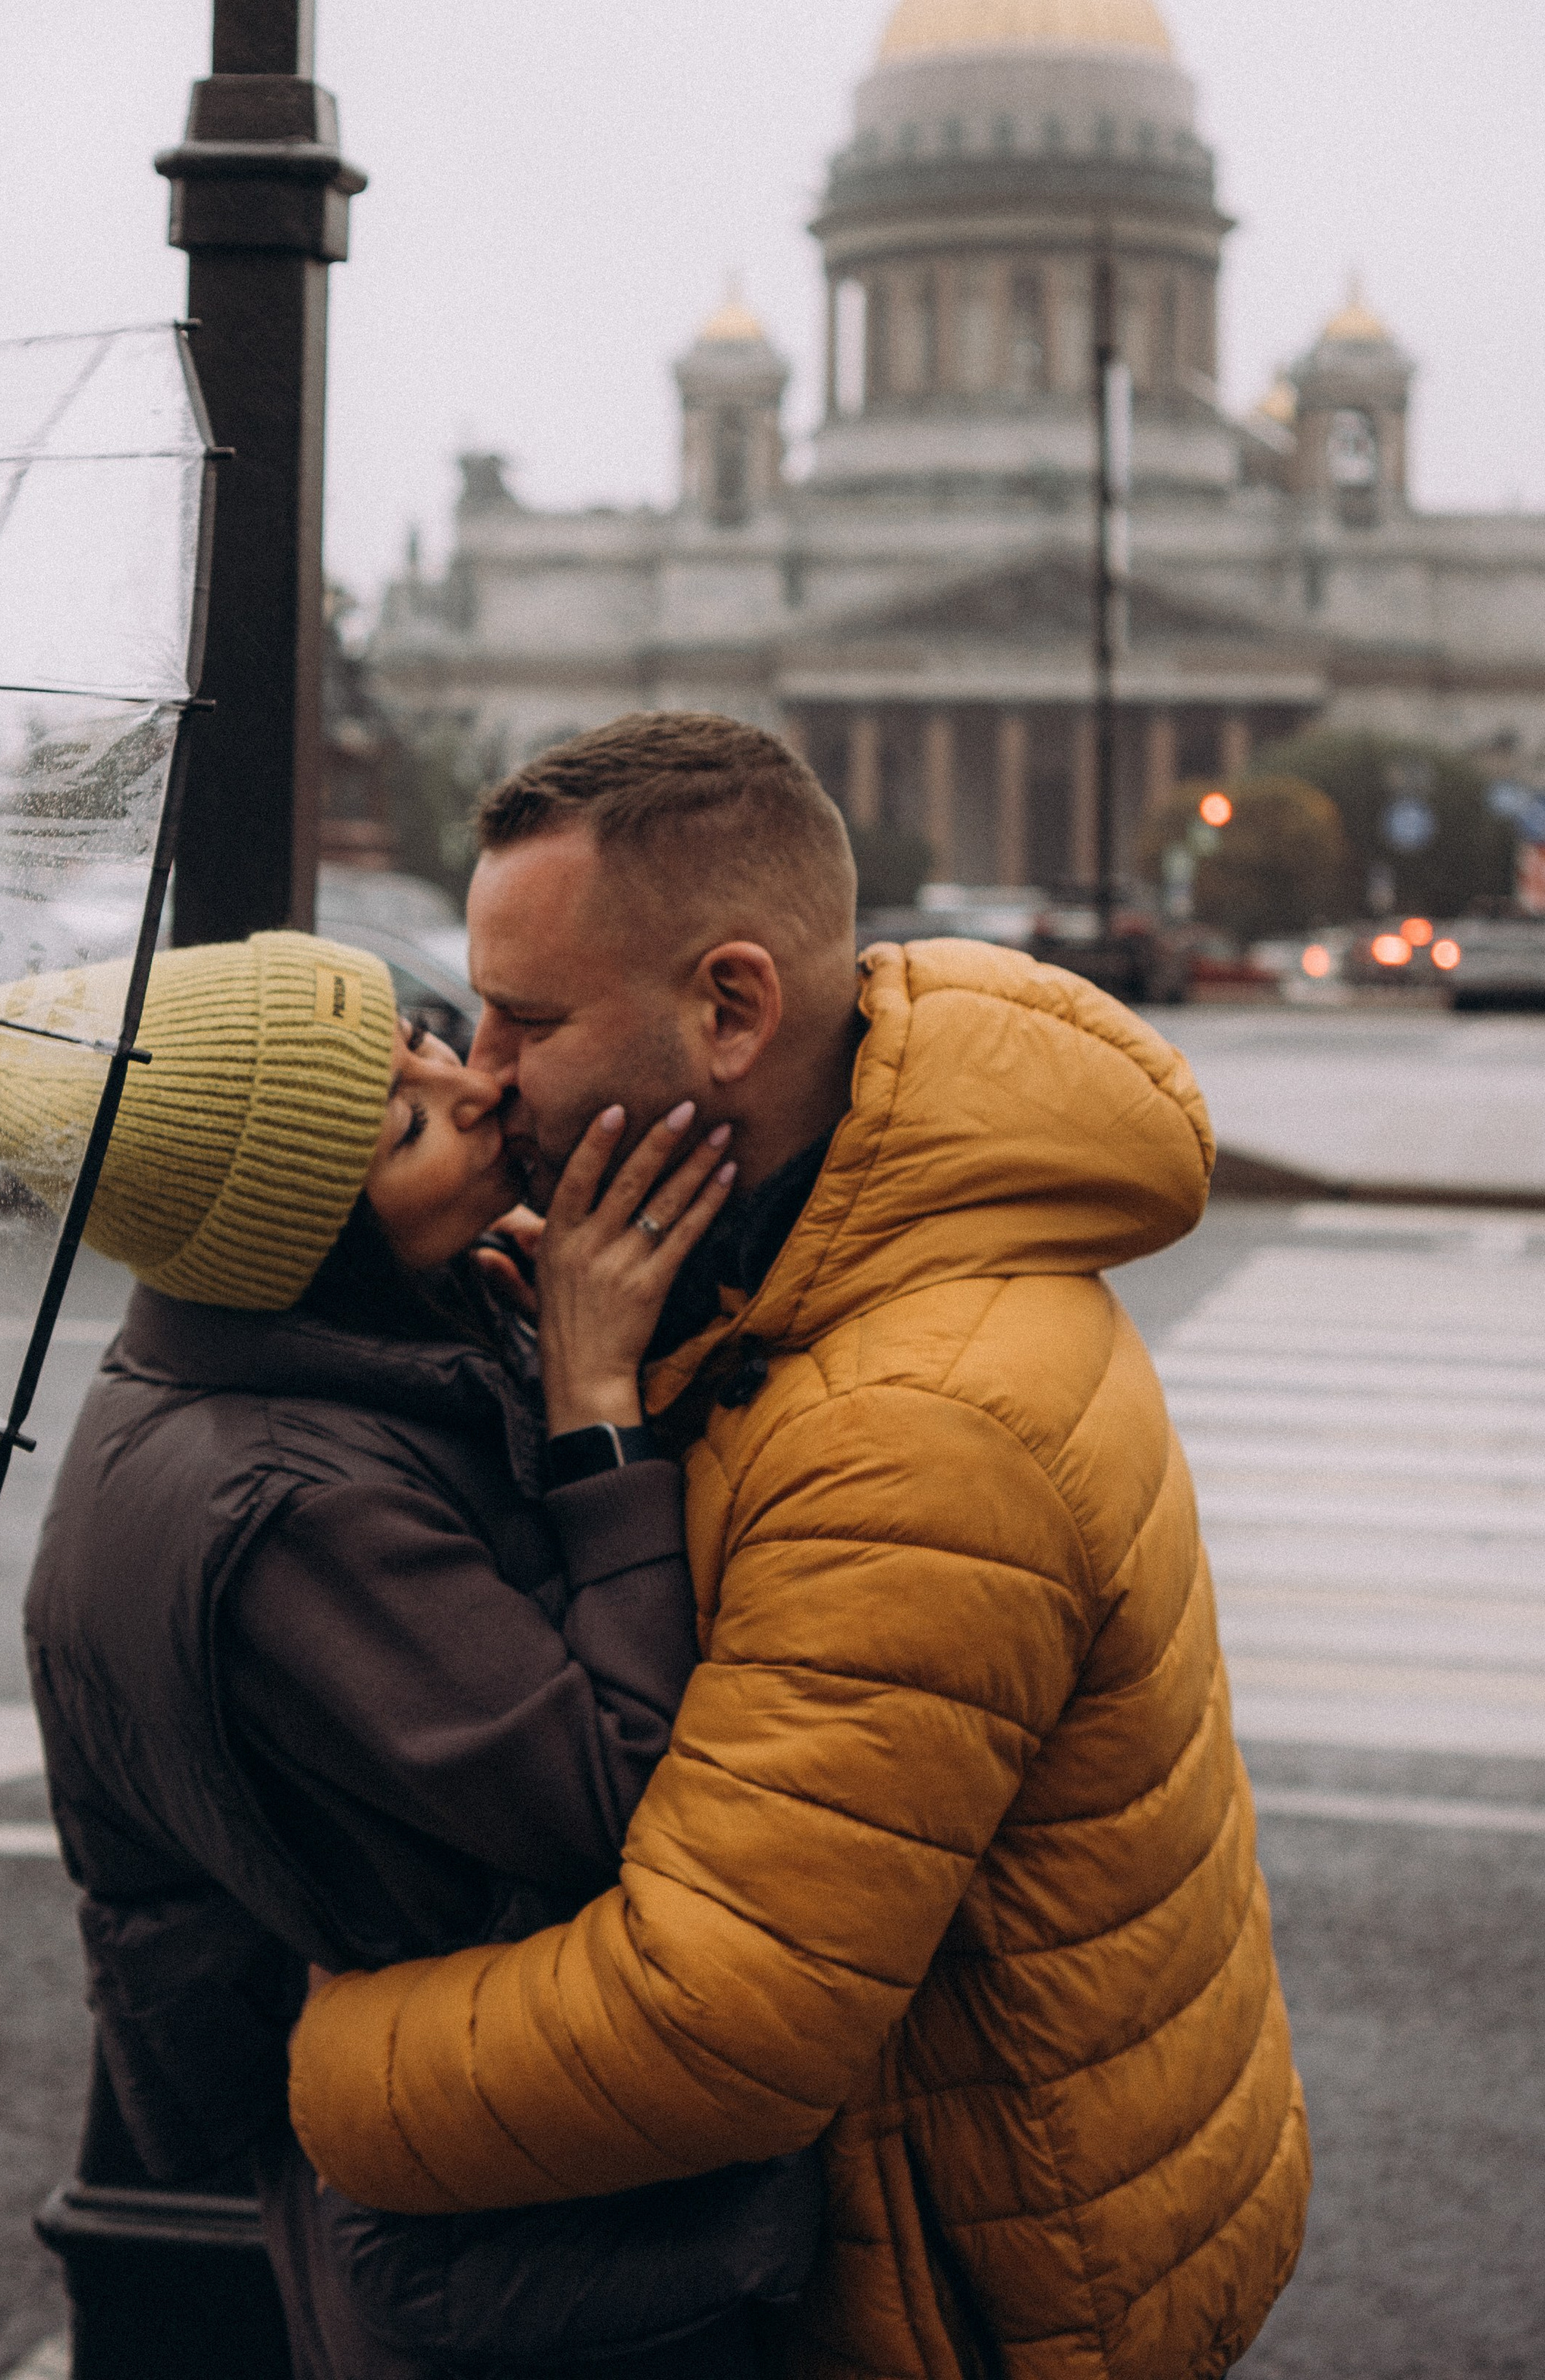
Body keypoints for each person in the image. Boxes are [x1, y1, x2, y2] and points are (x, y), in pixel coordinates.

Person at [286, 713, 1311, 2380]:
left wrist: (318, 2065)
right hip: (979, 2193)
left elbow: (712, 2027)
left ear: (731, 1009)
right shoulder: (788, 1259)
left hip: (963, 2281)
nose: (477, 1070)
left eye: (527, 1020)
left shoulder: (912, 1426)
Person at [0, 927, 818, 2380]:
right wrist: (596, 1402)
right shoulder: (294, 1512)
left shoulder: (265, 1357)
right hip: (521, 2247)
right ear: (304, 1249)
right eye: (406, 1127)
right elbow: (613, 1800)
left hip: (477, 2155)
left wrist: (517, 1337)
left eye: (414, 1042)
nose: (470, 1088)